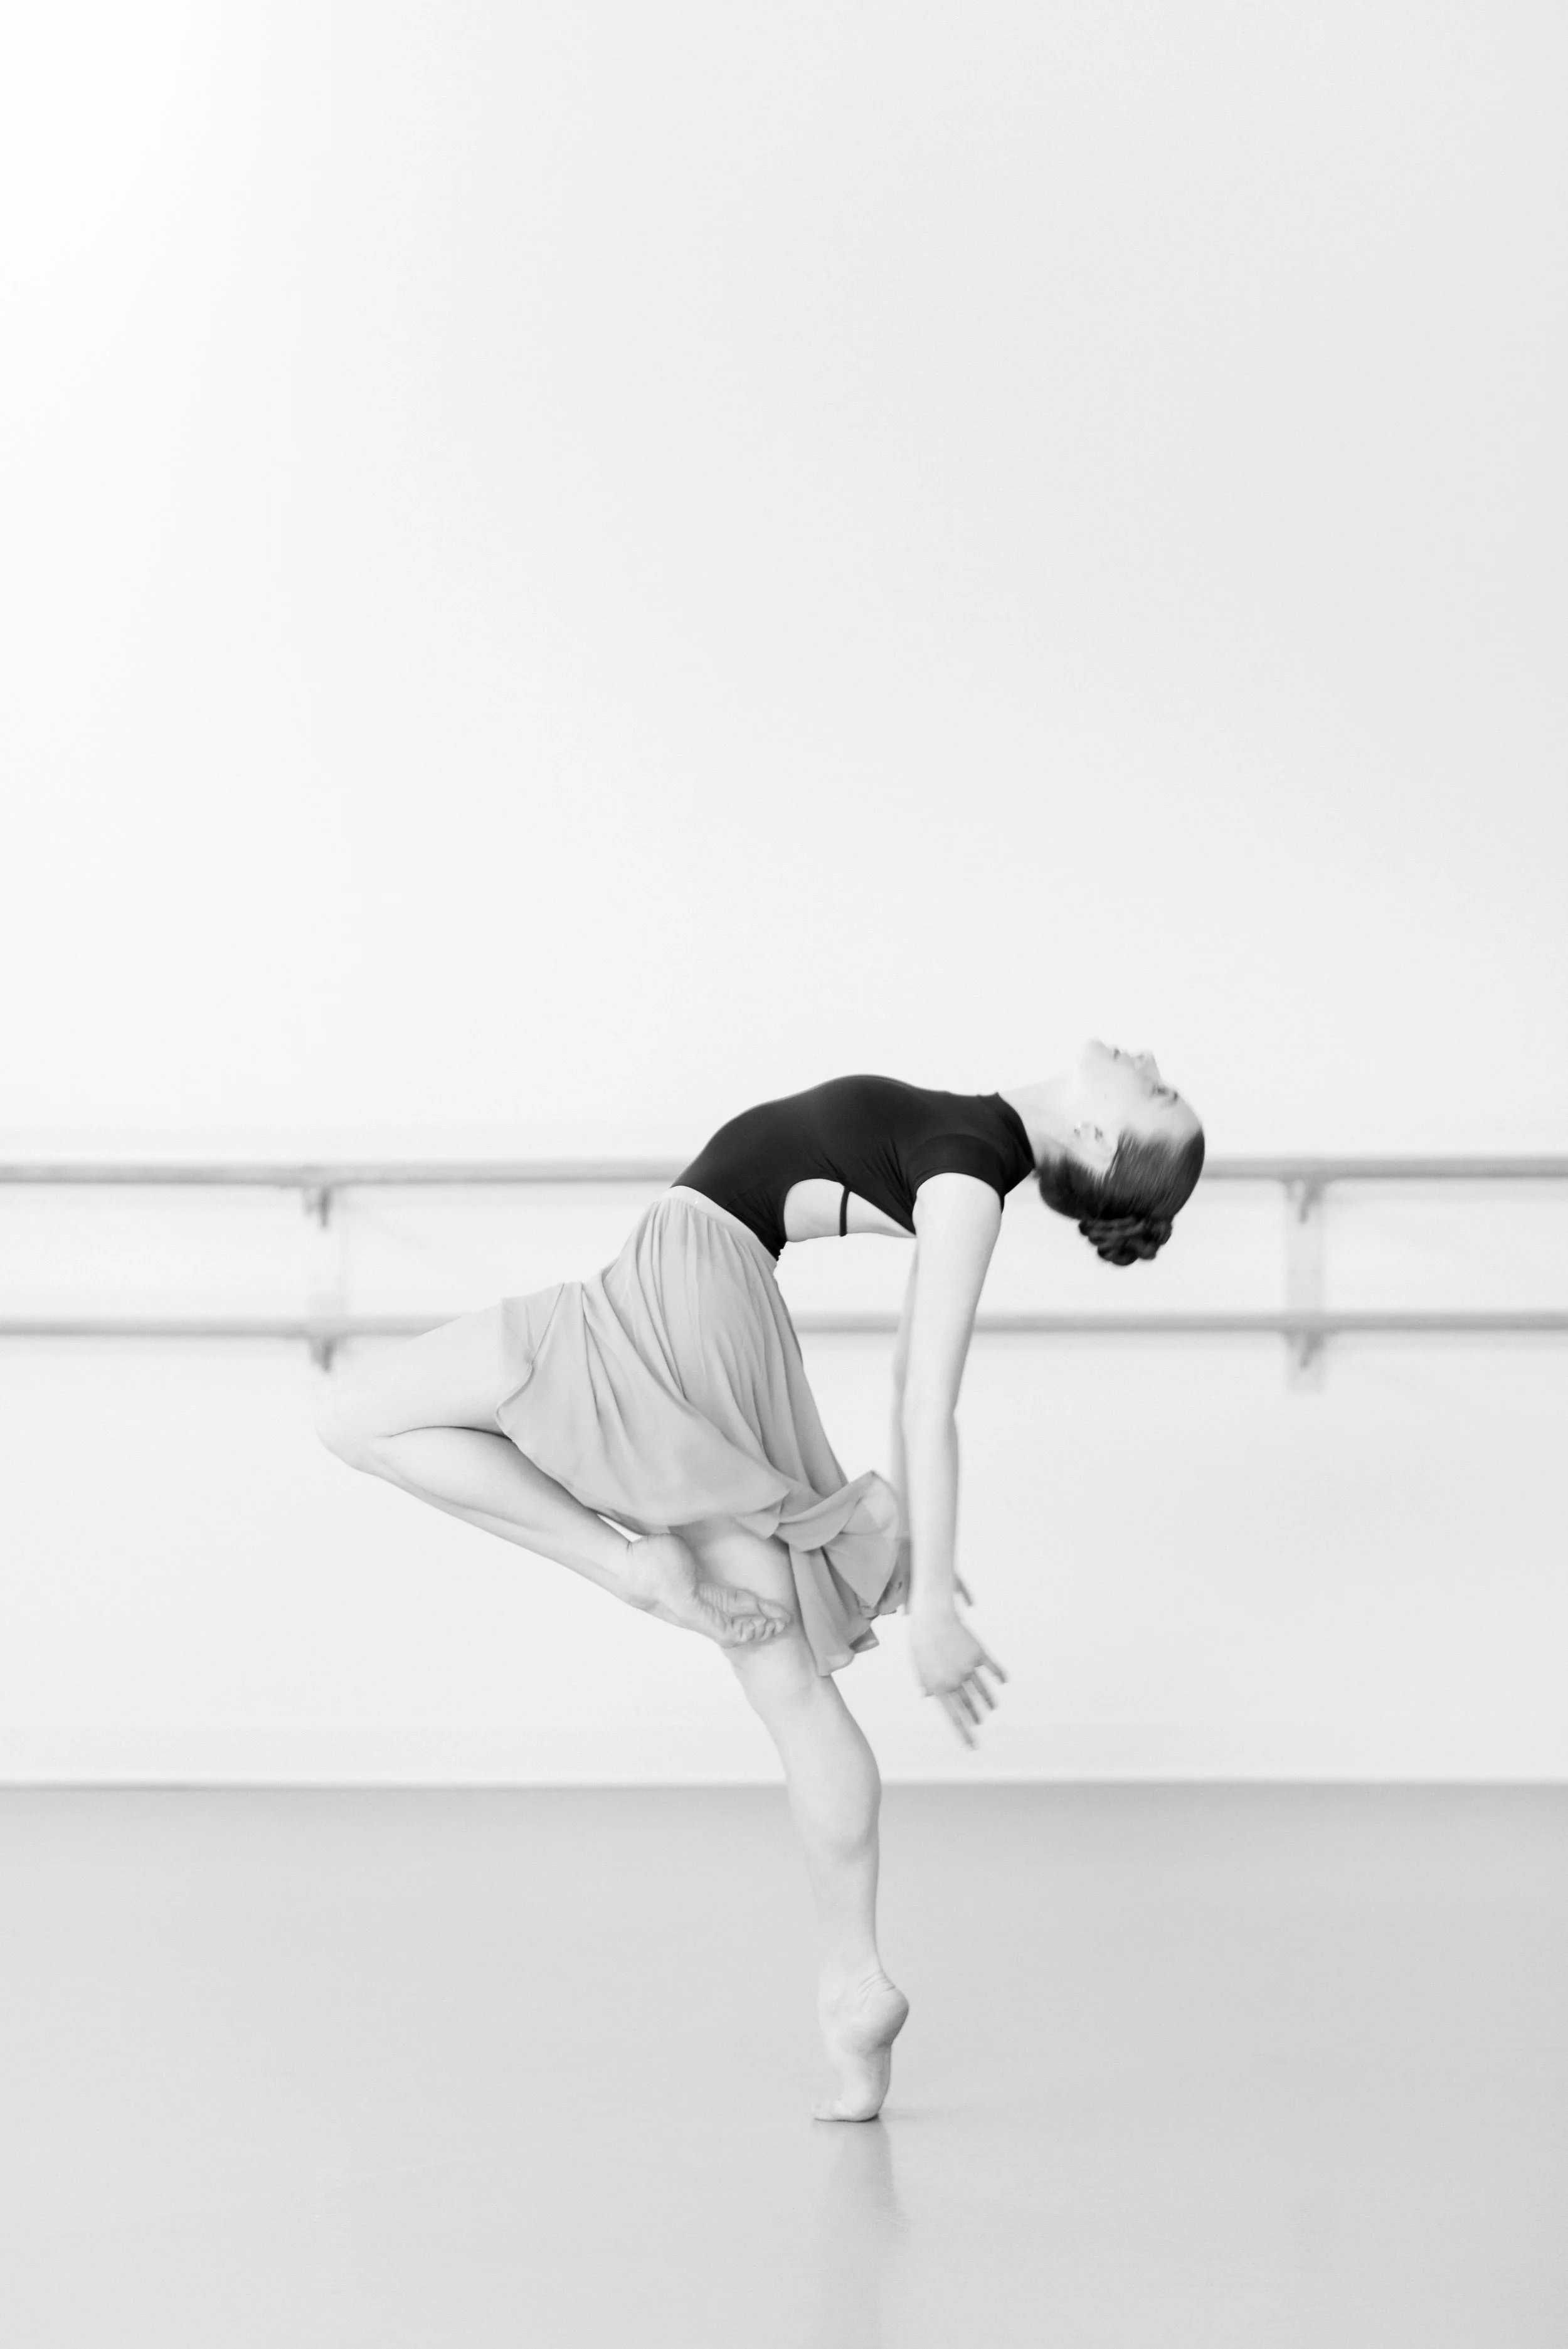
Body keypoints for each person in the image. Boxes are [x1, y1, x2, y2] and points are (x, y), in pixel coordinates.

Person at [317, 1040, 1205, 2119]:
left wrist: (930, 1609)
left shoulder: (972, 1178)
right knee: (788, 1687)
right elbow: (882, 1310)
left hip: (679, 1293)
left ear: (1102, 1138)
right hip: (714, 1303)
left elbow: (927, 1395)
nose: (1149, 1060)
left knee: (356, 1414)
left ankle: (624, 1564)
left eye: (1155, 1092)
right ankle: (853, 1984)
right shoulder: (975, 1151)